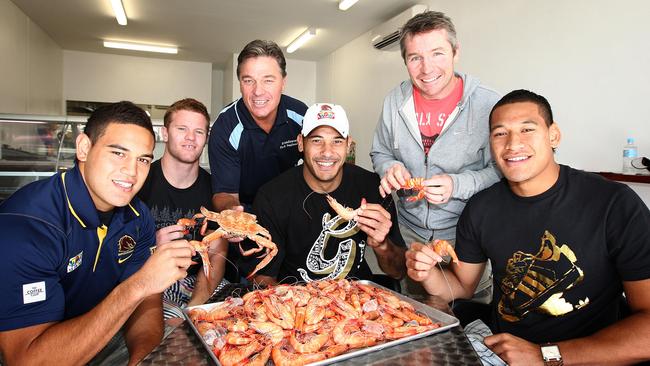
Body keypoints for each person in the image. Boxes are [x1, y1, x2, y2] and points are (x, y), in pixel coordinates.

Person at [406, 89, 650, 365]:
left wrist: (545, 355)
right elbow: (461, 287)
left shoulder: (614, 203)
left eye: (527, 129)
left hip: (587, 357)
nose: (512, 144)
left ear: (553, 135)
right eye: (500, 133)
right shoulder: (481, 208)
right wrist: (426, 271)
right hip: (502, 354)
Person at [0, 101, 194, 365]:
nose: (132, 172)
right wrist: (139, 284)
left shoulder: (137, 216)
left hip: (104, 333)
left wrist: (141, 359)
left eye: (143, 159)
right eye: (118, 153)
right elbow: (27, 360)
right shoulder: (28, 226)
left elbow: (147, 304)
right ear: (84, 148)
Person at [370, 11, 500, 297]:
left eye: (437, 53)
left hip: (467, 235)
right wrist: (389, 166)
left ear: (455, 52)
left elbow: (502, 170)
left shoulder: (489, 104)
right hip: (410, 234)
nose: (426, 68)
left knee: (470, 312)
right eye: (415, 57)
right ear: (405, 61)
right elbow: (378, 150)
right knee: (415, 313)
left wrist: (457, 185)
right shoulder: (394, 101)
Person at [247, 103, 406, 286]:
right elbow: (262, 277)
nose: (327, 152)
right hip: (295, 302)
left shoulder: (372, 187)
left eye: (337, 141)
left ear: (348, 145)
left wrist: (382, 245)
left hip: (358, 298)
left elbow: (398, 272)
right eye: (316, 140)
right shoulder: (272, 197)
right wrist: (287, 306)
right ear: (300, 143)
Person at [137, 98, 228, 320]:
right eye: (182, 129)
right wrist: (152, 248)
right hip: (149, 282)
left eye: (199, 131)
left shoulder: (216, 190)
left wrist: (193, 309)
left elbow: (218, 256)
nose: (190, 138)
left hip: (202, 284)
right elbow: (117, 256)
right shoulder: (138, 181)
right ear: (165, 133)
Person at [208, 39, 308, 213]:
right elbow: (224, 194)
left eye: (268, 80)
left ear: (283, 82)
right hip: (248, 214)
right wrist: (233, 213)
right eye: (248, 81)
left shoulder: (301, 115)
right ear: (240, 83)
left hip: (292, 209)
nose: (258, 91)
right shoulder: (225, 127)